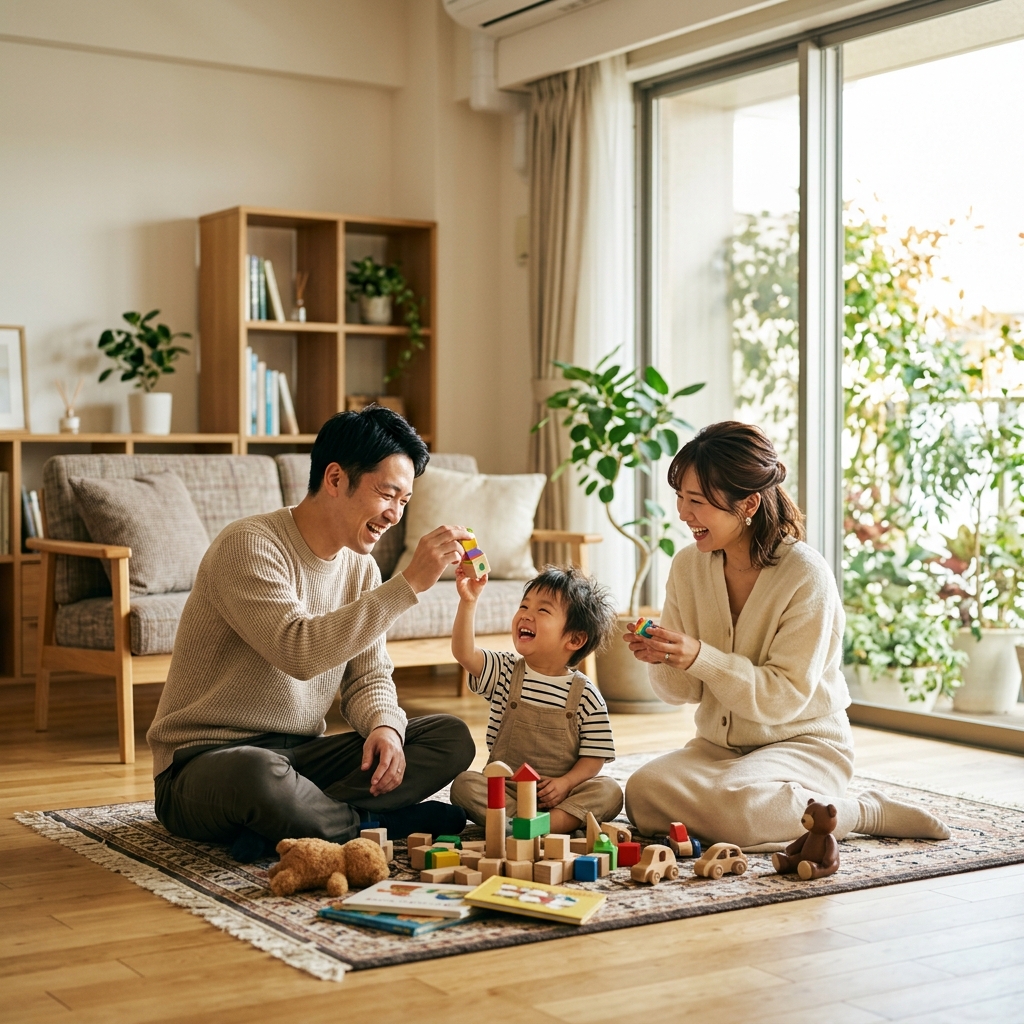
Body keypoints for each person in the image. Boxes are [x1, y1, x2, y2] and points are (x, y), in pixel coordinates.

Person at [147, 407, 475, 862]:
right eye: (387, 494)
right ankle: (371, 823)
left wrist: (385, 728)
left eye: (404, 501)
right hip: (204, 763)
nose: (395, 514)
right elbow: (297, 650)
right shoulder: (249, 544)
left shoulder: (361, 568)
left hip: (301, 758)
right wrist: (408, 585)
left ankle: (297, 823)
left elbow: (368, 676)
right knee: (258, 774)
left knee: (449, 736)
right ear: (335, 478)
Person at [623, 421, 949, 851]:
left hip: (803, 745)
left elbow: (784, 697)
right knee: (642, 791)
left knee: (739, 808)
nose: (684, 513)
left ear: (748, 503)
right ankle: (771, 812)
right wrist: (664, 657)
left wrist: (700, 656)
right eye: (681, 498)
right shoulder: (688, 566)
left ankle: (863, 812)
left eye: (697, 501)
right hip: (720, 751)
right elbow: (683, 692)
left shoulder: (805, 575)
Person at [449, 564, 623, 834]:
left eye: (543, 610)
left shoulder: (586, 694)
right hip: (508, 791)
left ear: (575, 639)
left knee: (609, 790)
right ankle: (523, 824)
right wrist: (468, 602)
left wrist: (565, 783)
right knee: (464, 784)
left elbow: (594, 757)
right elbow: (464, 653)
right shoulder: (504, 670)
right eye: (524, 606)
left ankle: (543, 825)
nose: (526, 615)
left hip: (558, 797)